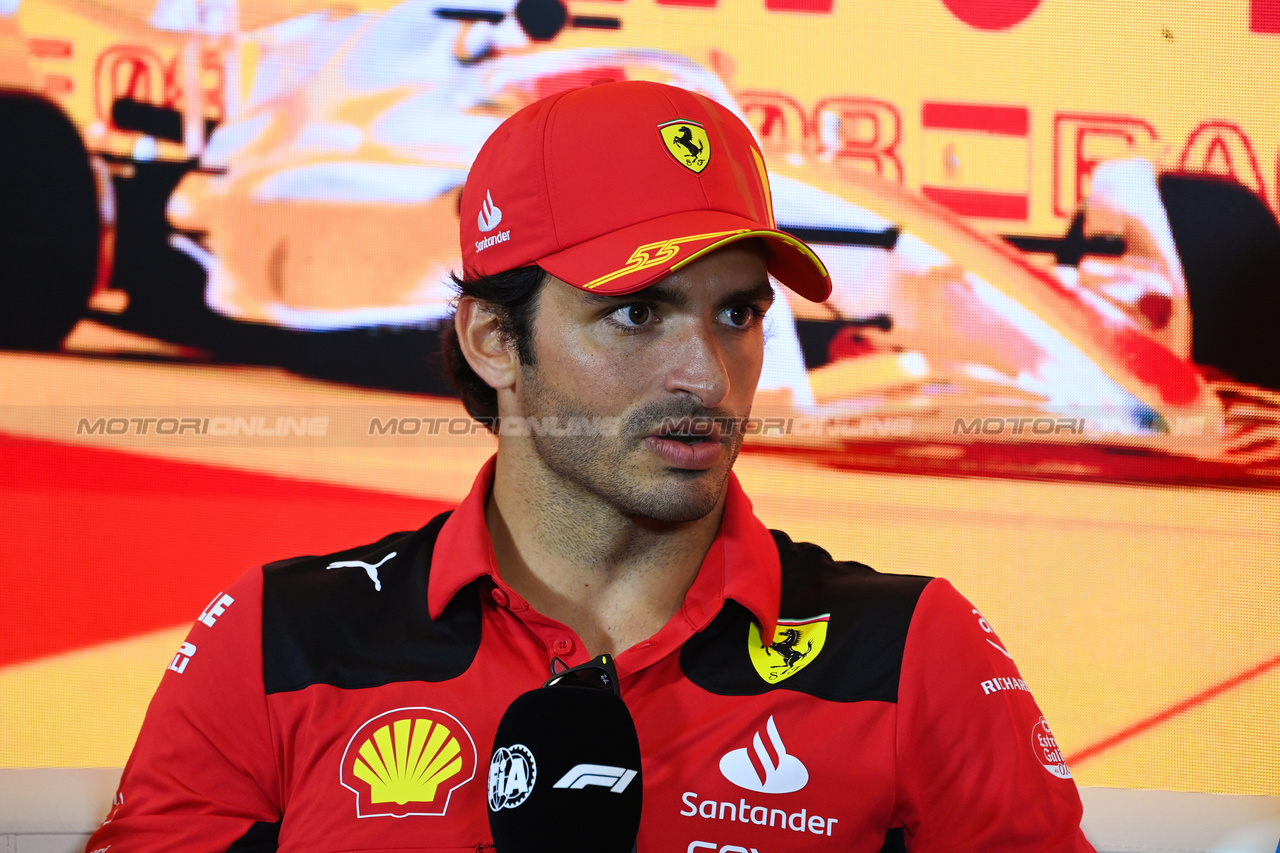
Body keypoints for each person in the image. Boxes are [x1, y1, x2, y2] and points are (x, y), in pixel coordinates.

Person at [86, 80, 1095, 852]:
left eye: (736, 312)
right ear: (491, 338)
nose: (705, 372)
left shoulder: (912, 650)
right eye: (635, 311)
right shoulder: (276, 640)